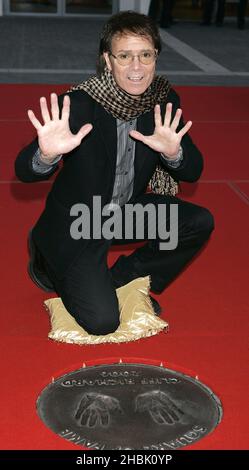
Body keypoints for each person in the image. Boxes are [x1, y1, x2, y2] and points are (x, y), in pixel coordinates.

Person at [15, 11, 214, 336]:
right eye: (125, 56)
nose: (137, 67)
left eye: (145, 55)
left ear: (155, 58)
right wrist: (46, 154)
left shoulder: (163, 102)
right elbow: (23, 170)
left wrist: (173, 152)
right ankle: (44, 254)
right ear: (108, 60)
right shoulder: (79, 104)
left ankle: (124, 278)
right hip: (78, 222)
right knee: (103, 322)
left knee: (197, 222)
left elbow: (193, 170)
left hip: (123, 214)